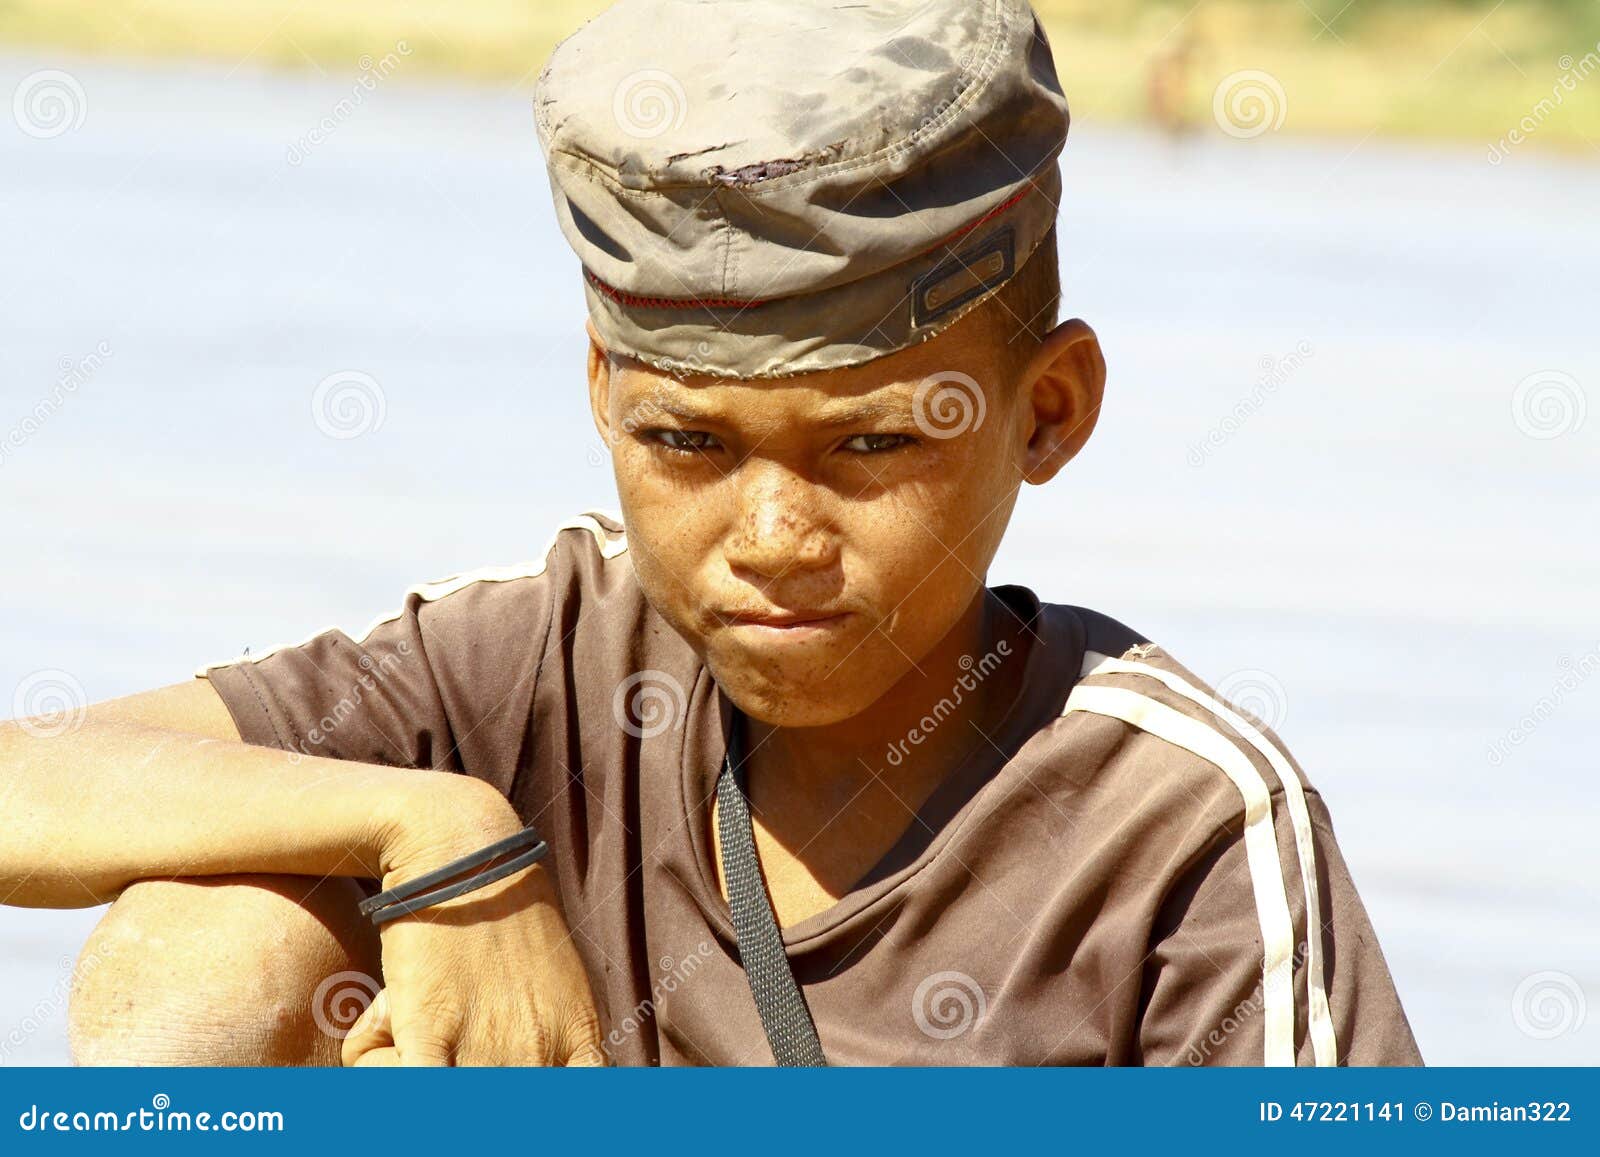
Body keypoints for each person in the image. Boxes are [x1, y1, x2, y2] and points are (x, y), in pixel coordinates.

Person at [0, 0, 1421, 1066]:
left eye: (871, 443)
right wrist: (431, 825)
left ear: (1047, 411)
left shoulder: (1176, 824)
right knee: (208, 956)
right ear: (605, 398)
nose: (775, 535)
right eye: (690, 443)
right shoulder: (536, 668)